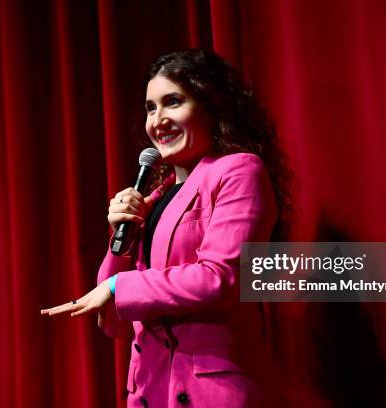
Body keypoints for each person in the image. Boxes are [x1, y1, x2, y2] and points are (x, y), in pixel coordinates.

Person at [41, 49, 291, 407]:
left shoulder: (238, 170)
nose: (158, 120)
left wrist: (117, 286)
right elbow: (113, 321)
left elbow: (221, 279)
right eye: (150, 108)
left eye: (172, 102)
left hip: (211, 394)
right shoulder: (155, 199)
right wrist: (121, 238)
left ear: (212, 105)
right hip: (150, 390)